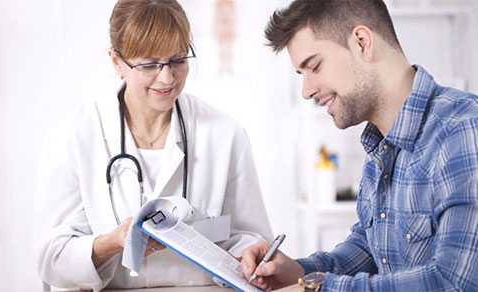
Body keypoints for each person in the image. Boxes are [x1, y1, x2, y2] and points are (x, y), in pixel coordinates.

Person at [241, 0, 478, 291]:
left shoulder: (463, 131)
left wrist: (316, 288)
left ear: (362, 42)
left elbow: (456, 282)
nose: (307, 91)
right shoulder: (380, 145)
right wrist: (300, 270)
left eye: (314, 66)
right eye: (302, 75)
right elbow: (368, 249)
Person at [35, 0, 272, 290]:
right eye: (149, 64)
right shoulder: (79, 136)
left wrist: (251, 258)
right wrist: (113, 242)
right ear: (115, 61)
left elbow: (250, 237)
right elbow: (51, 258)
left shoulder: (224, 134)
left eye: (178, 60)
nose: (167, 77)